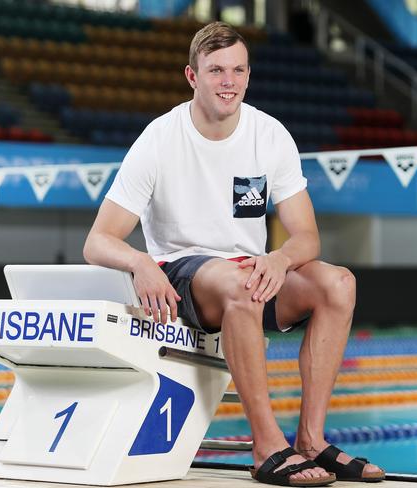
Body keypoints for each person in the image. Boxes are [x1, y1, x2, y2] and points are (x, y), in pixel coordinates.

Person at [84, 21, 384, 487]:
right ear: (192, 76)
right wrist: (141, 262)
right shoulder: (160, 139)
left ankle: (311, 440)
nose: (229, 81)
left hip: (251, 275)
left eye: (238, 70)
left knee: (338, 283)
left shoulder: (270, 134)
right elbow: (98, 241)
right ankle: (267, 445)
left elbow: (307, 237)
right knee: (239, 282)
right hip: (184, 276)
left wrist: (280, 259)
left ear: (248, 75)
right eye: (217, 70)